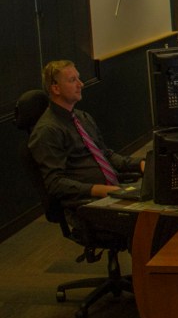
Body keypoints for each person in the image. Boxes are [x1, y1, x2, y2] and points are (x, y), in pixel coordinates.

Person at [27, 60, 141, 225]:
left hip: (112, 191)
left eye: (78, 79)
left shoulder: (82, 117)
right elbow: (55, 183)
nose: (80, 84)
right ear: (56, 88)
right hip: (88, 204)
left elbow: (105, 155)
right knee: (153, 221)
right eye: (73, 80)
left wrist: (141, 164)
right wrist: (100, 190)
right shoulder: (48, 130)